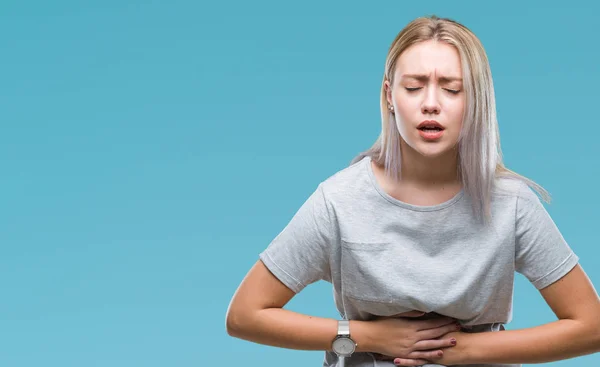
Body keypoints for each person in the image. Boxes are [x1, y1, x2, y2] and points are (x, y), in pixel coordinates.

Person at [225, 15, 600, 367]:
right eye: (414, 87)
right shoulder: (338, 201)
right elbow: (245, 315)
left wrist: (466, 350)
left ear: (475, 101)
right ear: (390, 95)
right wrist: (369, 336)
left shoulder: (512, 204)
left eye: (452, 89)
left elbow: (592, 326)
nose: (431, 103)